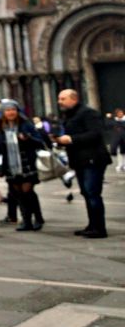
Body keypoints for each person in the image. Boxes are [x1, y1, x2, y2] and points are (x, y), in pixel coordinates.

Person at [0, 100, 49, 232]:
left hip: (27, 163)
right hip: (11, 165)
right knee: (18, 193)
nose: (11, 112)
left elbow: (40, 142)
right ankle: (26, 220)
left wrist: (28, 139)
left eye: (13, 110)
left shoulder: (26, 125)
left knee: (28, 191)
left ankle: (38, 218)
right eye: (8, 110)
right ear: (3, 113)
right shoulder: (0, 128)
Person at [56, 89, 110, 238]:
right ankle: (92, 225)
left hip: (93, 159)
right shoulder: (71, 115)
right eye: (59, 99)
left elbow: (95, 134)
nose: (59, 102)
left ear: (74, 99)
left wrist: (71, 139)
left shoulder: (88, 113)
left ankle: (99, 228)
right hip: (79, 159)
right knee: (86, 193)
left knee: (92, 192)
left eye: (62, 99)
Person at [110, 108, 125, 173]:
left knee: (124, 152)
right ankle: (120, 165)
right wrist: (108, 118)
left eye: (121, 113)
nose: (120, 114)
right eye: (118, 113)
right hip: (117, 138)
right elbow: (107, 125)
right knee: (119, 152)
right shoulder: (114, 120)